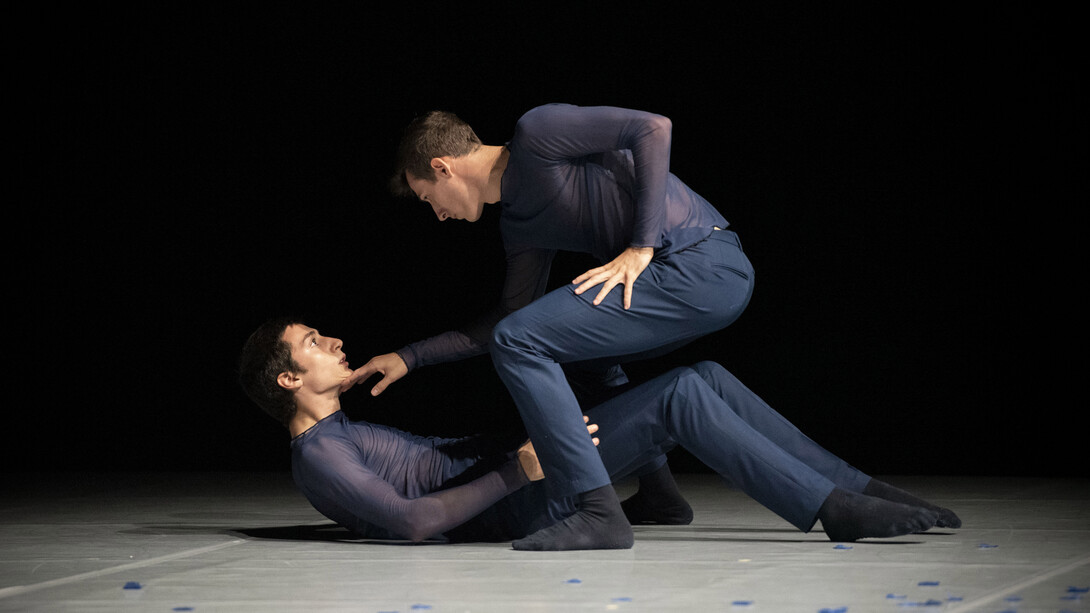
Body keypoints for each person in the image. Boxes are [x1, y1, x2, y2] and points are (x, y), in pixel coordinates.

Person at [346, 104, 757, 550]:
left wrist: (642, 245)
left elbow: (653, 128)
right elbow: (507, 316)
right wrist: (409, 357)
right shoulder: (520, 222)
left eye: (429, 199)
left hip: (698, 259)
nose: (439, 215)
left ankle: (597, 509)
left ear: (443, 168)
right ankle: (661, 496)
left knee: (525, 340)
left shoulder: (537, 133)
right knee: (574, 356)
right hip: (676, 272)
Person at [239, 318, 960, 547]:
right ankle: (831, 507)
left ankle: (856, 483)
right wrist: (521, 468)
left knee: (703, 374)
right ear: (289, 379)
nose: (334, 340)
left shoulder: (340, 430)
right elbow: (412, 522)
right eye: (314, 342)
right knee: (681, 393)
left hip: (520, 473)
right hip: (522, 496)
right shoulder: (319, 455)